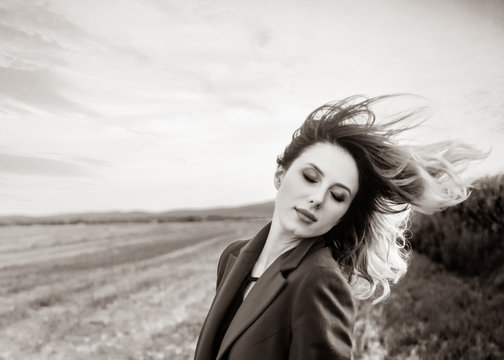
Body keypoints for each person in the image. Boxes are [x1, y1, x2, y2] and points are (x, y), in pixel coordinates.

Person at [194, 95, 485, 360]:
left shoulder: (318, 280)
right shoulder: (232, 257)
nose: (317, 199)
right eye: (310, 177)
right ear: (280, 175)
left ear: (343, 215)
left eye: (337, 196)